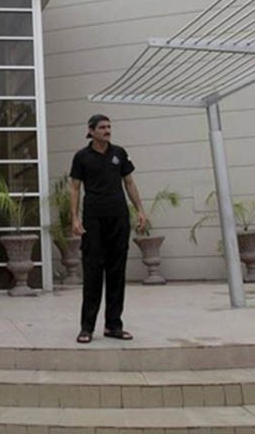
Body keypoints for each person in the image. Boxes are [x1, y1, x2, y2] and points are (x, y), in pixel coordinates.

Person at [69, 114, 147, 344]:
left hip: (119, 219)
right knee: (93, 272)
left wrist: (140, 210)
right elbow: (74, 188)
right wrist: (74, 218)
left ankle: (113, 325)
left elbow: (129, 183)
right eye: (102, 127)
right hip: (93, 220)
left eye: (109, 127)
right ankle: (87, 328)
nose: (107, 130)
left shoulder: (119, 153)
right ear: (91, 130)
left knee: (116, 273)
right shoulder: (81, 157)